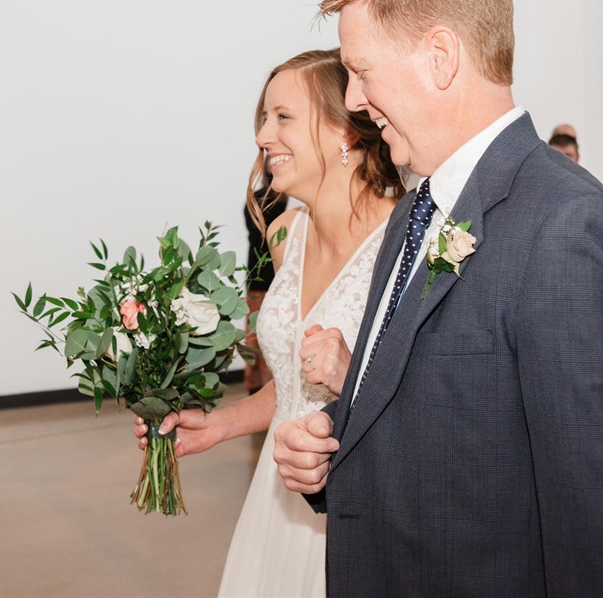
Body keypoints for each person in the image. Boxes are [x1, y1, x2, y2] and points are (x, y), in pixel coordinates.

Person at [272, 0, 603, 596]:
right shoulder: (415, 212)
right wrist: (333, 452)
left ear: (440, 57)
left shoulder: (569, 229)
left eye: (361, 70)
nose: (352, 99)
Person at [134, 49, 402, 597]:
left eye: (283, 117)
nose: (263, 136)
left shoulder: (401, 237)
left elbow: (421, 396)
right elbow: (294, 389)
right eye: (263, 118)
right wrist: (217, 426)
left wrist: (351, 376)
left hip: (358, 501)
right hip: (276, 498)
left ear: (342, 131)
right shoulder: (285, 234)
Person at [242, 169, 286, 394]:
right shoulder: (279, 200)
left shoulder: (253, 198)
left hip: (256, 267)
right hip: (270, 268)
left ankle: (252, 381)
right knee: (267, 328)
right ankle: (266, 384)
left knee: (253, 329)